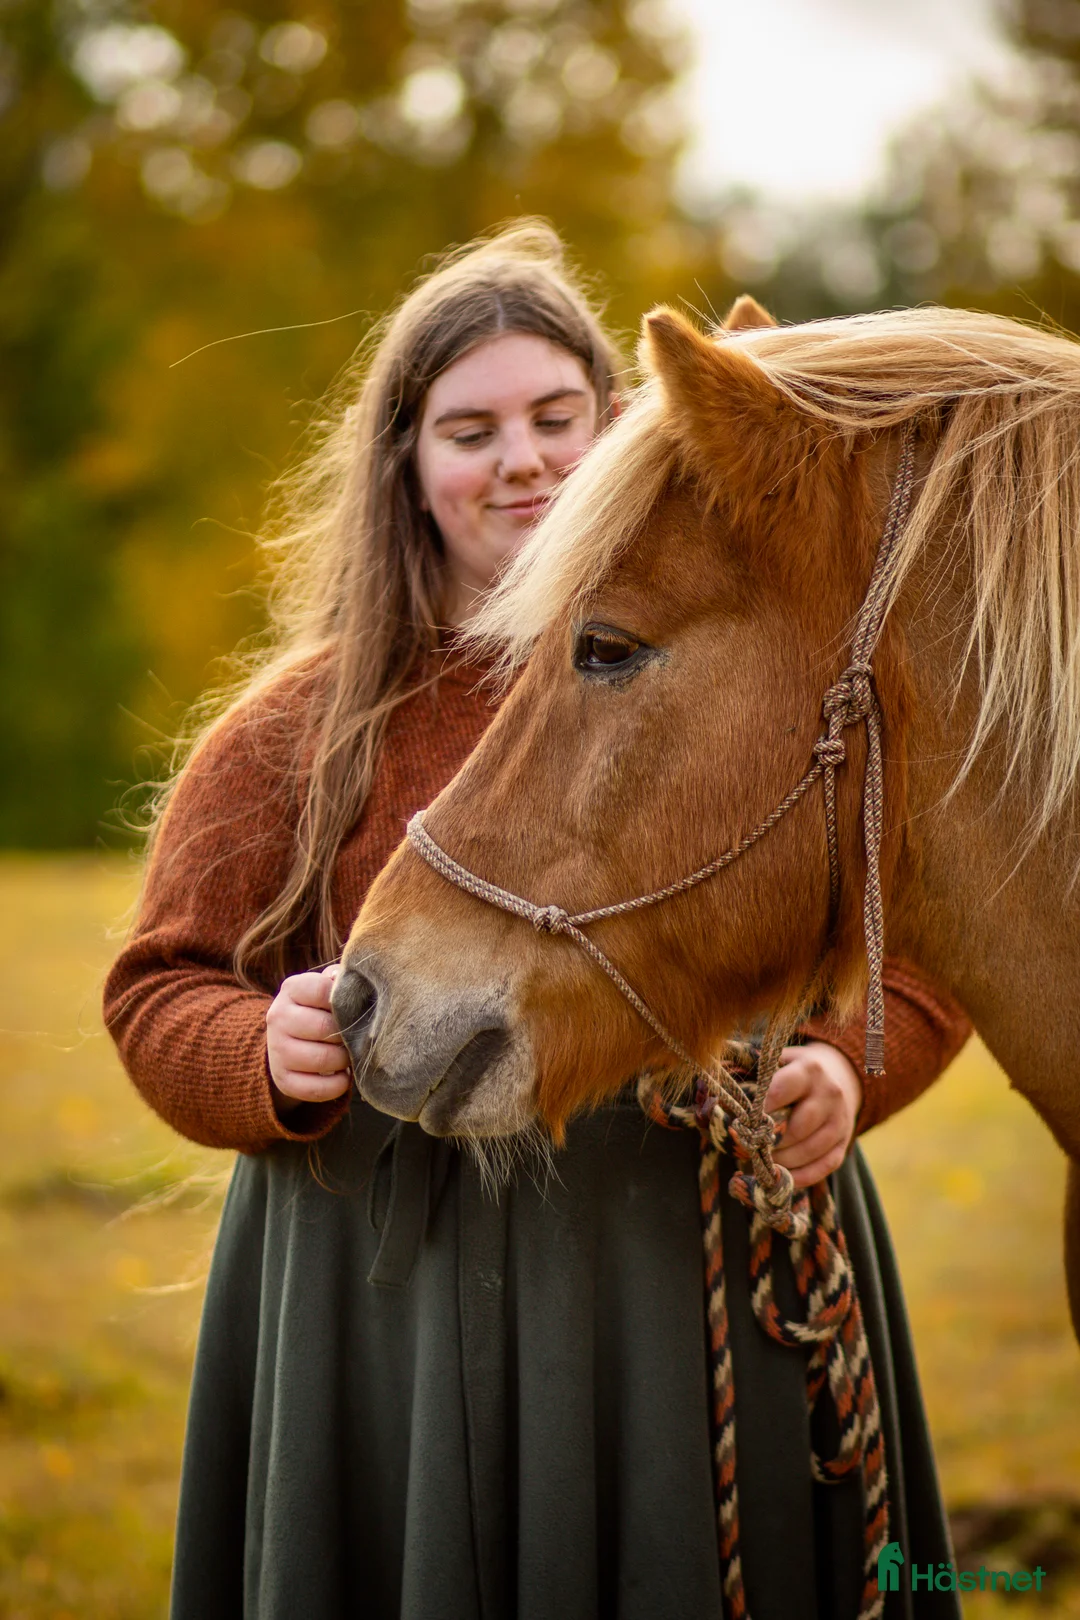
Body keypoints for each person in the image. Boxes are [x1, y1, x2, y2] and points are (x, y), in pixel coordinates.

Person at [104, 222, 971, 1620]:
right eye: (471, 431)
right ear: (406, 467)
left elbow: (927, 916)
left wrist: (850, 1064)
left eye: (559, 417)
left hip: (697, 1260)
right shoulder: (301, 729)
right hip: (396, 1291)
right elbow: (160, 982)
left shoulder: (743, 673)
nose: (523, 460)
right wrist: (259, 1053)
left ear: (620, 427)